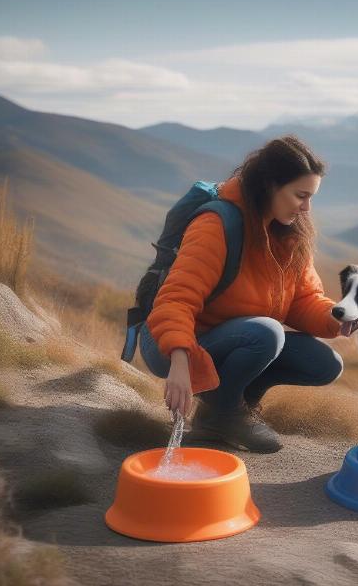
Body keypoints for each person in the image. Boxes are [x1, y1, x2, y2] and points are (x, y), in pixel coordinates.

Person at [139, 135, 347, 453]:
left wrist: (339, 318)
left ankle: (222, 413)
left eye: (312, 198)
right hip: (172, 341)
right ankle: (227, 413)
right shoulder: (217, 225)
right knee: (266, 334)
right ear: (269, 186)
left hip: (240, 338)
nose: (306, 209)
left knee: (323, 364)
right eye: (300, 196)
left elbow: (303, 298)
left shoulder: (290, 235)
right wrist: (180, 362)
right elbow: (176, 299)